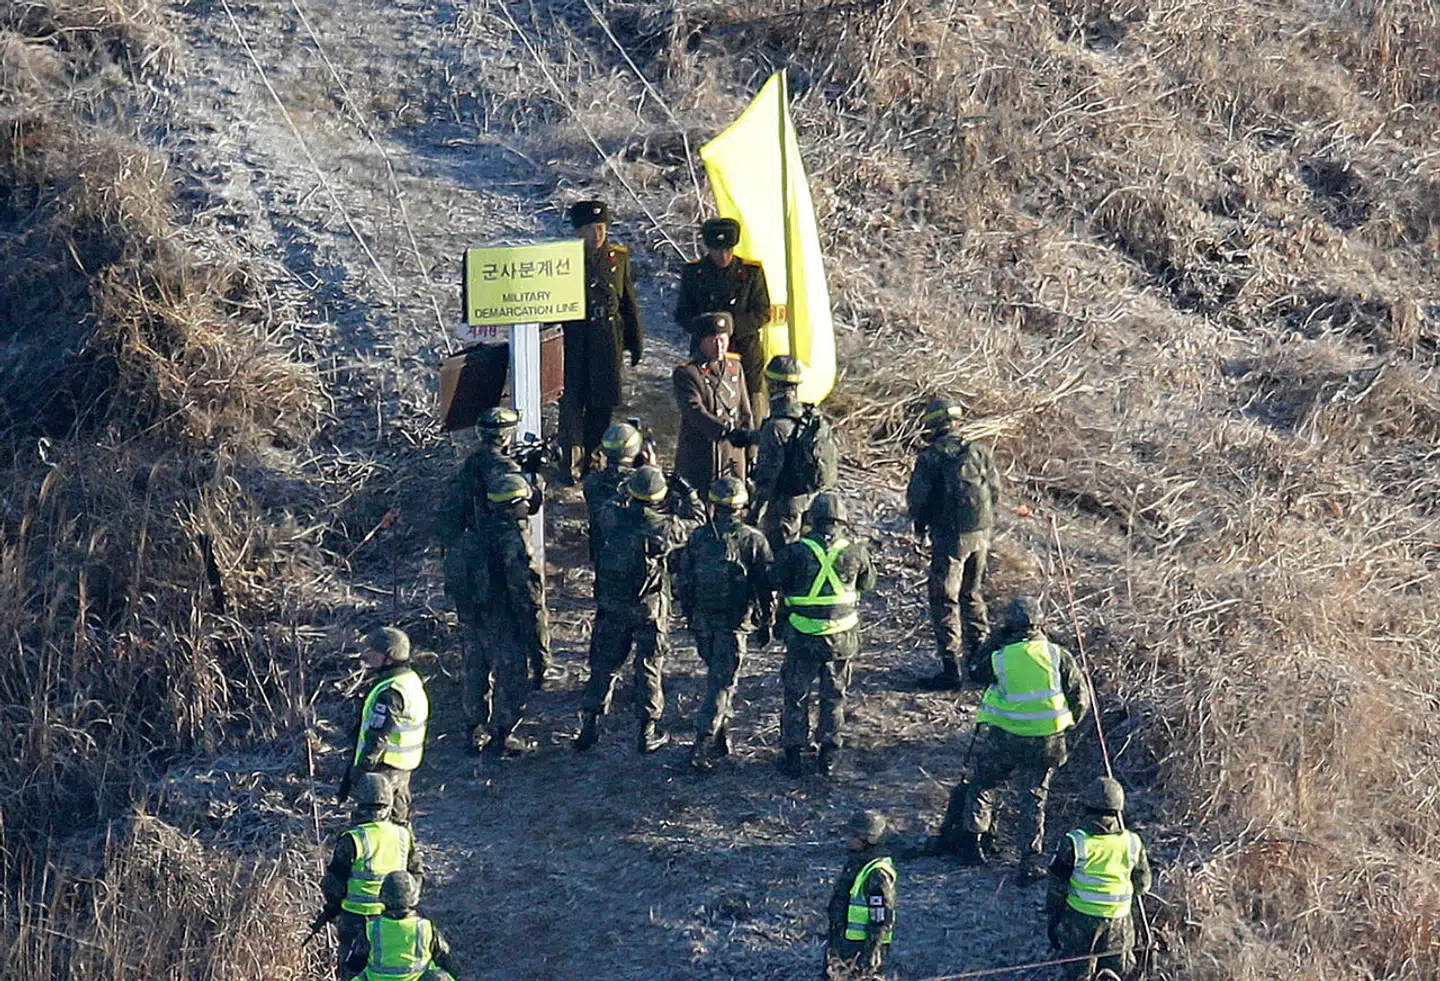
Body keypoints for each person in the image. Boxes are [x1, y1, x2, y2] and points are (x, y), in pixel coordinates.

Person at [927, 597, 1089, 876]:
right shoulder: (1057, 655)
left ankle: (974, 843)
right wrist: (1068, 723)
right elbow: (1081, 698)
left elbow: (975, 672)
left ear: (1008, 625)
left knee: (983, 784)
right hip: (1048, 741)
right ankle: (1029, 860)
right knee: (1034, 797)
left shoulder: (1001, 658)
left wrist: (993, 640)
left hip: (1006, 738)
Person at [576, 466, 704, 753]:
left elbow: (607, 503)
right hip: (649, 608)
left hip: (612, 604)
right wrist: (689, 492)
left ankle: (589, 727)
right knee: (648, 666)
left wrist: (627, 483)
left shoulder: (611, 516)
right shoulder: (664, 527)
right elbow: (698, 521)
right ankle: (647, 732)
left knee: (603, 665)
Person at [769, 492, 876, 777]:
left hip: (803, 636)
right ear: (842, 520)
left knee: (796, 695)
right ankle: (829, 755)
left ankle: (793, 755)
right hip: (841, 639)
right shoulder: (856, 552)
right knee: (834, 696)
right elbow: (868, 583)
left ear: (812, 519)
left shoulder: (795, 551)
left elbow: (773, 579)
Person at [674, 476, 774, 771]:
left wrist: (690, 616)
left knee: (718, 676)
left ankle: (720, 737)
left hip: (703, 621)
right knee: (722, 683)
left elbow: (685, 580)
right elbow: (766, 586)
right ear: (742, 507)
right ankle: (703, 742)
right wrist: (767, 621)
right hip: (734, 624)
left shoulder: (699, 537)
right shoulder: (754, 540)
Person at [906, 396, 1001, 690]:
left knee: (944, 599)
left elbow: (918, 500)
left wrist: (920, 526)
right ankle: (980, 662)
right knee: (972, 594)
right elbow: (994, 490)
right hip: (981, 534)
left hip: (949, 538)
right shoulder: (979, 451)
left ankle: (951, 670)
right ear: (957, 421)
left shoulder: (930, 458)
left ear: (931, 425)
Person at [452, 474, 550, 756]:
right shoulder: (514, 542)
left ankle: (473, 730)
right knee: (511, 676)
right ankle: (502, 736)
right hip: (502, 618)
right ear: (513, 506)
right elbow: (527, 594)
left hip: (473, 615)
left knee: (475, 672)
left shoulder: (474, 533)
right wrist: (538, 645)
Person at [559, 200, 643, 482]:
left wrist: (635, 341)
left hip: (607, 337)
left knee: (602, 402)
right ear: (578, 231)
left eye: (601, 228)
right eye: (590, 229)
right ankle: (571, 462)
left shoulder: (618, 258)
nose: (597, 235)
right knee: (572, 402)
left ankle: (594, 461)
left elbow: (628, 302)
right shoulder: (564, 259)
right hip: (574, 337)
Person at [315, 774, 423, 980]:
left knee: (351, 972)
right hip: (392, 920)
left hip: (355, 919)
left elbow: (334, 884)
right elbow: (416, 873)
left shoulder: (353, 838)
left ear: (359, 802)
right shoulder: (403, 835)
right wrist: (406, 905)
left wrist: (332, 907)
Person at [729, 355, 838, 553]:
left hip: (784, 507)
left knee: (782, 555)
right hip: (810, 499)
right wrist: (750, 437)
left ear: (772, 385)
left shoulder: (775, 426)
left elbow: (767, 478)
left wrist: (753, 514)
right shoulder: (808, 416)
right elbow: (789, 437)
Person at [1047, 778, 1152, 981]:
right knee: (1118, 974)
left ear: (1085, 806)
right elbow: (1142, 886)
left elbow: (1057, 888)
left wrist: (1053, 921)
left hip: (1080, 921)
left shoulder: (1074, 841)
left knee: (1079, 974)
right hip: (1119, 923)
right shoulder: (1132, 842)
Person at [674, 217, 770, 409]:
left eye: (727, 249)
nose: (723, 256)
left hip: (744, 352)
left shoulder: (750, 273)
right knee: (707, 406)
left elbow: (762, 311)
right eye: (717, 250)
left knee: (751, 408)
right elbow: (683, 313)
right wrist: (707, 332)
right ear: (709, 249)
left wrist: (729, 330)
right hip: (706, 355)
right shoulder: (694, 273)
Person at [340, 628, 429, 824]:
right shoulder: (410, 681)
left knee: (373, 825)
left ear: (388, 656)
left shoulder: (390, 691)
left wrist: (361, 770)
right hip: (402, 770)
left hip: (383, 770)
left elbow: (377, 736)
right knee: (398, 825)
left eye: (373, 651)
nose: (367, 656)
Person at [672, 311, 753, 495]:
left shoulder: (734, 367)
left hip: (732, 457)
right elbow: (693, 410)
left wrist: (751, 452)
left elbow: (744, 411)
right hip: (701, 456)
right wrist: (723, 430)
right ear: (701, 342)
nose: (719, 347)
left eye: (723, 340)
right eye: (713, 341)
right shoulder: (688, 373)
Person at [434, 407, 542, 543]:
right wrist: (535, 477)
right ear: (505, 436)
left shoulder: (472, 460)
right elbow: (531, 505)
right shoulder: (506, 467)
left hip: (472, 538)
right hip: (501, 542)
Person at [341, 871, 458, 981]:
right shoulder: (425, 927)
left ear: (383, 896)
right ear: (414, 897)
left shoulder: (372, 928)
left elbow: (355, 963)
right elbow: (446, 960)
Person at [824, 812, 897, 981]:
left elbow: (880, 920)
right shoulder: (856, 864)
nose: (849, 839)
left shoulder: (877, 873)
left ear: (869, 839)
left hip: (860, 950)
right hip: (843, 944)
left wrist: (870, 954)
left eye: (854, 835)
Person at [582, 421, 645, 567]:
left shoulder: (592, 480)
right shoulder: (637, 482)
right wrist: (651, 469)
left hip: (601, 552)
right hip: (632, 558)